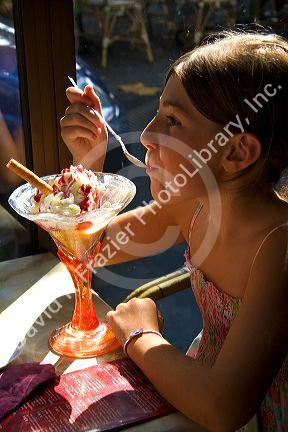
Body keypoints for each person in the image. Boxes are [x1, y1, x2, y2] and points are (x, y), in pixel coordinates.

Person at [60, 31, 288, 431]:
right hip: (196, 390)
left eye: (173, 120)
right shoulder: (194, 207)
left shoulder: (278, 248)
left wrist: (140, 335)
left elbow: (224, 407)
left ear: (237, 152)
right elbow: (89, 249)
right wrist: (88, 168)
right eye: (157, 113)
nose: (146, 134)